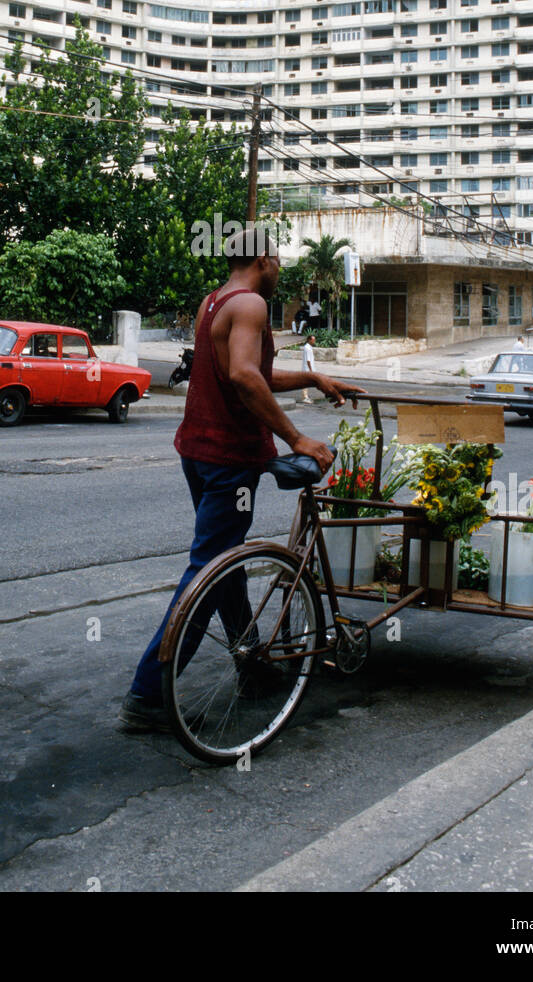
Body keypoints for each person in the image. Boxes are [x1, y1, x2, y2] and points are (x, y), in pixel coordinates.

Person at [118, 228, 362, 733]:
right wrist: (297, 438)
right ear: (265, 260)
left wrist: (315, 378)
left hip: (198, 453)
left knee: (225, 565)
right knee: (207, 573)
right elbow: (246, 378)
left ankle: (250, 660)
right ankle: (147, 696)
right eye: (279, 260)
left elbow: (250, 370)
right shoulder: (251, 304)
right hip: (229, 460)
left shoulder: (216, 300)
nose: (281, 270)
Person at [301, 333, 316, 403]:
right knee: (305, 383)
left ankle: (306, 396)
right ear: (309, 340)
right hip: (307, 368)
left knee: (306, 383)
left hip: (308, 368)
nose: (314, 341)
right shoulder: (307, 348)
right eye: (313, 340)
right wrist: (310, 370)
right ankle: (305, 397)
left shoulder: (309, 347)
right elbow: (308, 360)